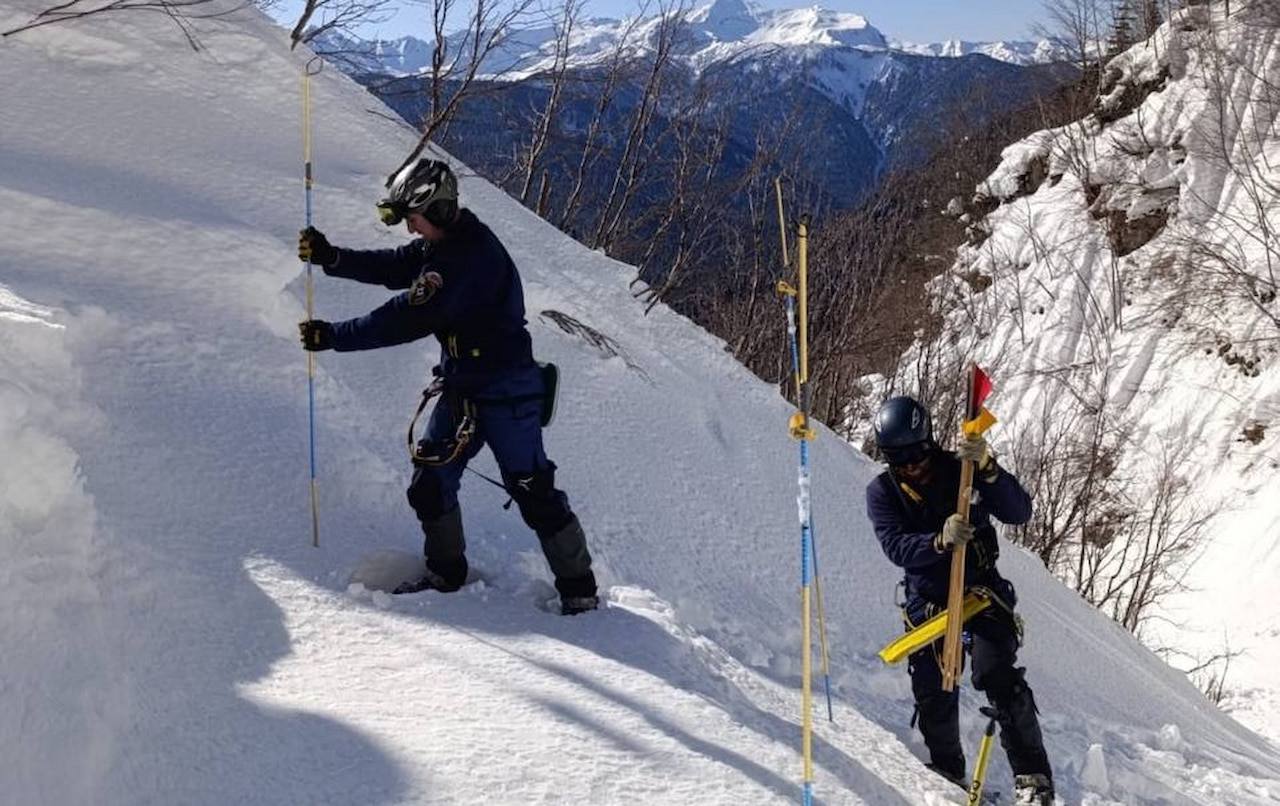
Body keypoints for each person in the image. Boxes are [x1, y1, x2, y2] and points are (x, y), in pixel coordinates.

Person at [296, 157, 599, 616]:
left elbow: (406, 317)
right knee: (430, 484)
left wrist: (335, 336)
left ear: (436, 211)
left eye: (413, 219)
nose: (411, 231)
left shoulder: (466, 258)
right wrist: (332, 258)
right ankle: (446, 576)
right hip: (462, 386)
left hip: (508, 391)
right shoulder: (450, 239)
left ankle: (580, 592)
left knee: (533, 489)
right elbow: (398, 267)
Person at [865, 396, 1054, 805]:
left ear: (929, 441)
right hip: (929, 601)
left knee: (996, 672)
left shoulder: (962, 469)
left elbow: (1018, 512)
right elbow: (895, 546)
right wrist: (937, 541)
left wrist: (988, 468)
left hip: (981, 593)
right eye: (900, 460)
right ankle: (947, 768)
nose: (912, 466)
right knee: (933, 686)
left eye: (917, 454)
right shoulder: (883, 492)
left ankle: (1033, 778)